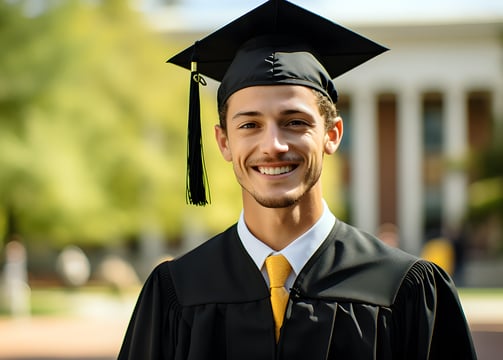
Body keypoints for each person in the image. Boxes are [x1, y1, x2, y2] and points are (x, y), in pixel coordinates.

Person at [118, 1, 476, 359]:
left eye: (295, 122)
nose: (273, 145)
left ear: (333, 134)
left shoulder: (406, 290)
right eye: (249, 125)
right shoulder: (176, 292)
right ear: (224, 142)